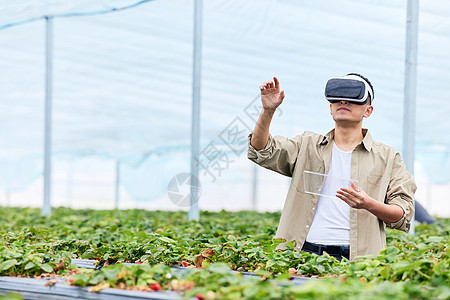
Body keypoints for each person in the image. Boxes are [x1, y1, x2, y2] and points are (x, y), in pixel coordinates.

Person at [247, 74, 416, 261]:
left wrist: (369, 204)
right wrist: (268, 111)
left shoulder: (388, 157)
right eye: (337, 98)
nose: (343, 101)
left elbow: (402, 212)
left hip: (358, 258)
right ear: (330, 108)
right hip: (301, 252)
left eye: (353, 97)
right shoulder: (307, 145)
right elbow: (262, 149)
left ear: (368, 111)